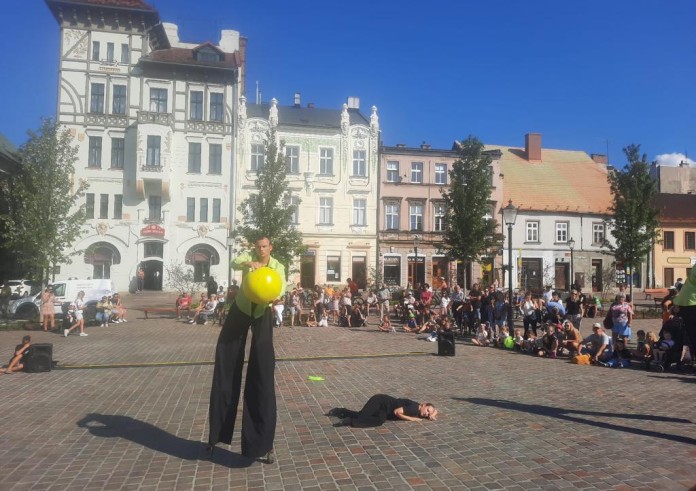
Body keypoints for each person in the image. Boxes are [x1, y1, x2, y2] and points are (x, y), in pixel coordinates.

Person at [208, 236, 286, 463]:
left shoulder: (278, 266)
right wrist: (247, 264)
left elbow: (281, 283)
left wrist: (278, 296)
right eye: (258, 247)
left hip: (262, 312)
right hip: (241, 310)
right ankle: (216, 435)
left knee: (262, 371)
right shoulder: (248, 258)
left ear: (271, 247)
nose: (261, 250)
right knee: (226, 363)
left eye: (264, 246)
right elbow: (234, 262)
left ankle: (262, 442)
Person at [328, 394, 437, 428]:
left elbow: (436, 410)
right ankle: (345, 417)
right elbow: (397, 412)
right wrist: (412, 419)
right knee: (362, 416)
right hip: (380, 402)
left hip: (384, 410)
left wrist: (433, 413)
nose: (426, 413)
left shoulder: (419, 409)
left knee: (379, 420)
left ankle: (344, 413)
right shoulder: (414, 408)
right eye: (427, 410)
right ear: (423, 404)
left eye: (428, 413)